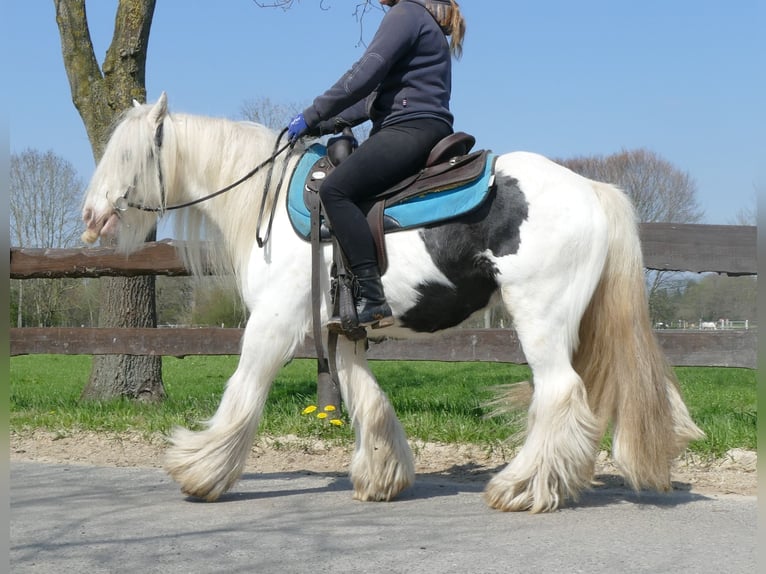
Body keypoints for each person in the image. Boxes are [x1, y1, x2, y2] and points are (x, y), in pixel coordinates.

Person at [287, 0, 466, 328]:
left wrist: (312, 111)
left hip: (410, 128)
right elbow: (372, 101)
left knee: (336, 190)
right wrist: (322, 123)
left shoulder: (406, 13)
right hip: (424, 125)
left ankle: (372, 296)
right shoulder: (420, 19)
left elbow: (364, 74)